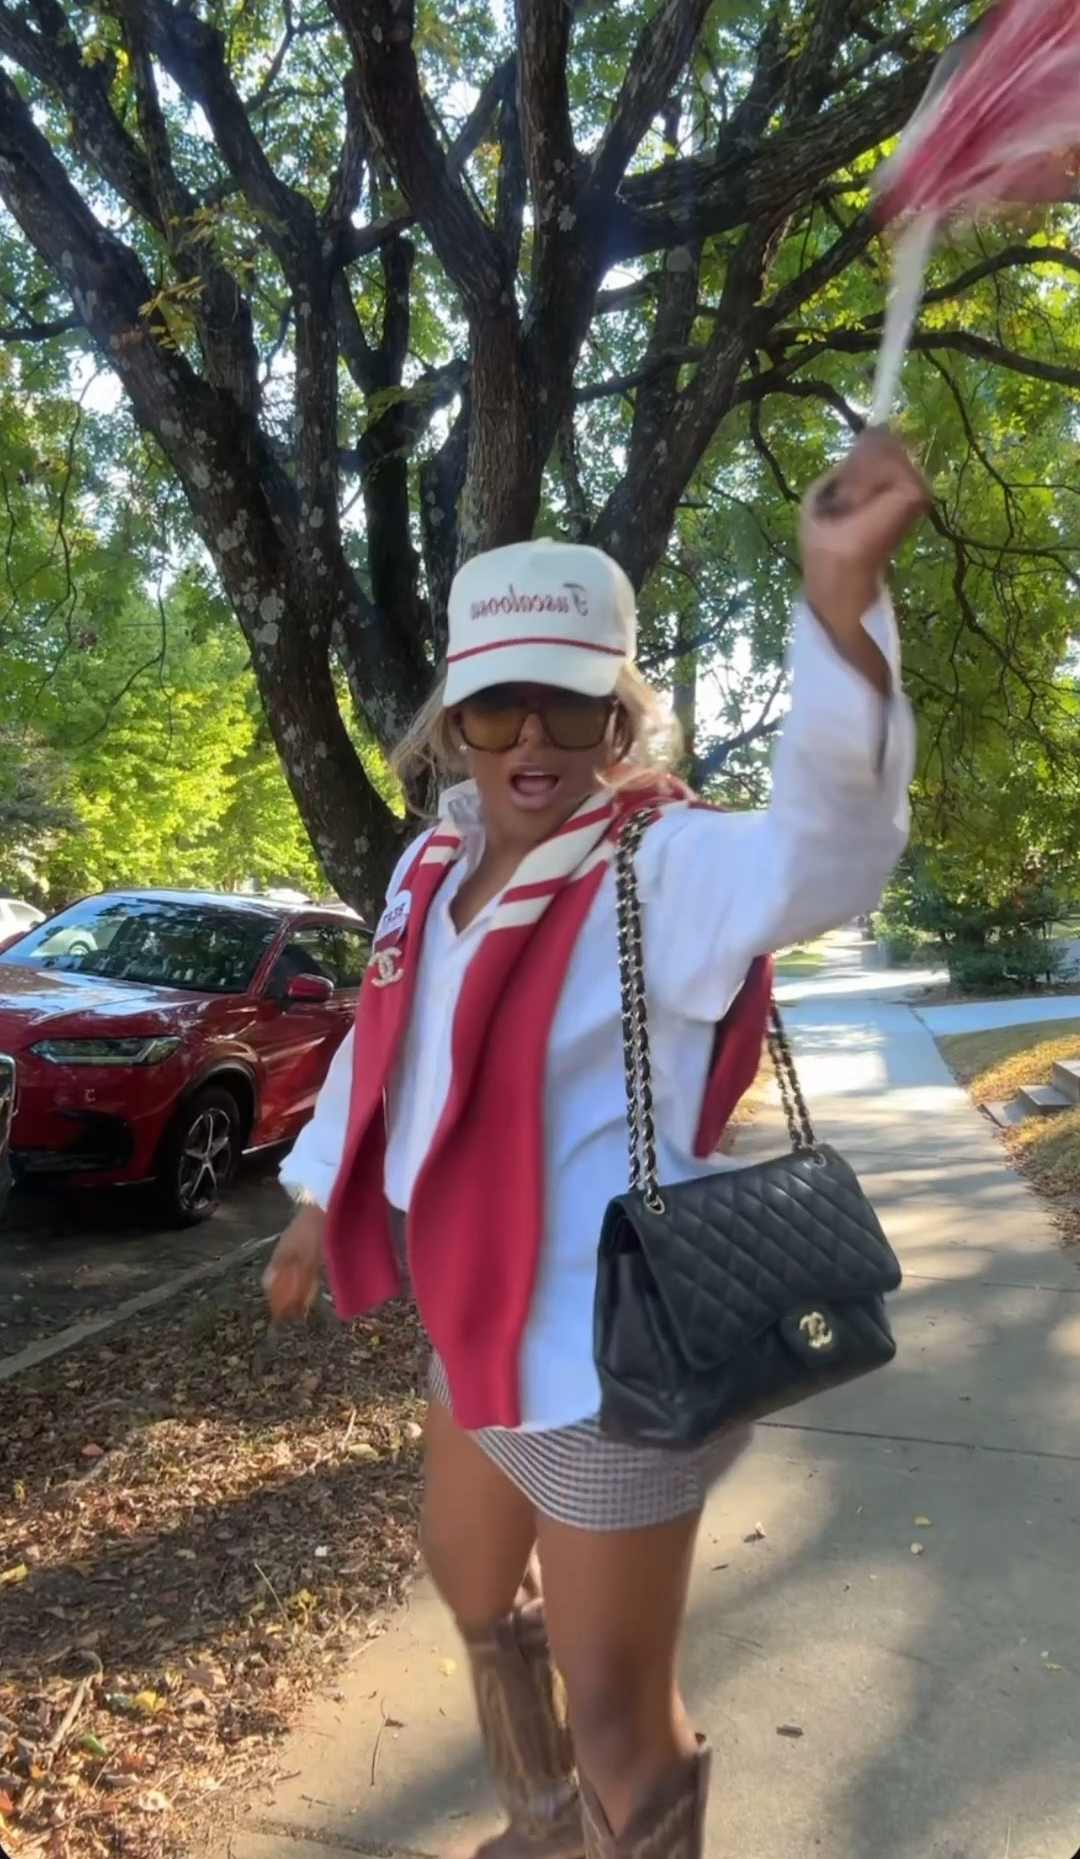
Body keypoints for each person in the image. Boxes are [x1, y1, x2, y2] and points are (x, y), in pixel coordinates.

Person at [266, 429, 929, 1859]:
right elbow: (388, 1053)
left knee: (621, 1699)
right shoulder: (431, 865)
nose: (538, 746)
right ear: (452, 717)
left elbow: (827, 854)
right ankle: (547, 1819)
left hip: (617, 1359)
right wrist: (321, 1201)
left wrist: (835, 605)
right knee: (465, 1582)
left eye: (576, 711)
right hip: (478, 1325)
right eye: (500, 709)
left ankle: (614, 1821)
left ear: (622, 717)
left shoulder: (661, 862)